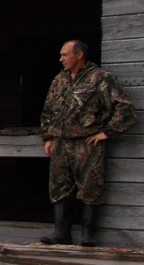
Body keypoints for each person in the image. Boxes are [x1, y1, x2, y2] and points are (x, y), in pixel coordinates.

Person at [40, 39, 135, 246]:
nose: (61, 59)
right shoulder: (60, 80)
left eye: (65, 55)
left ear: (79, 54)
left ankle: (87, 237)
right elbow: (48, 110)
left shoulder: (100, 78)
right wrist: (48, 137)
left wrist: (107, 132)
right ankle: (61, 234)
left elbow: (125, 108)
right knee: (59, 188)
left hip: (87, 142)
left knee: (90, 188)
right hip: (61, 143)